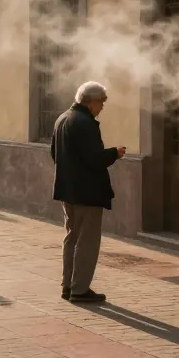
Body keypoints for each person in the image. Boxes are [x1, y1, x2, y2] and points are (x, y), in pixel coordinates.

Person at [51, 82, 126, 305]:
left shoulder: (63, 118)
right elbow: (94, 159)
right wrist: (115, 153)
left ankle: (68, 285)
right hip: (87, 192)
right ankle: (80, 289)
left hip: (68, 190)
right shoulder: (85, 123)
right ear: (90, 101)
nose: (102, 107)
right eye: (101, 103)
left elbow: (54, 153)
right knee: (87, 241)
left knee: (72, 237)